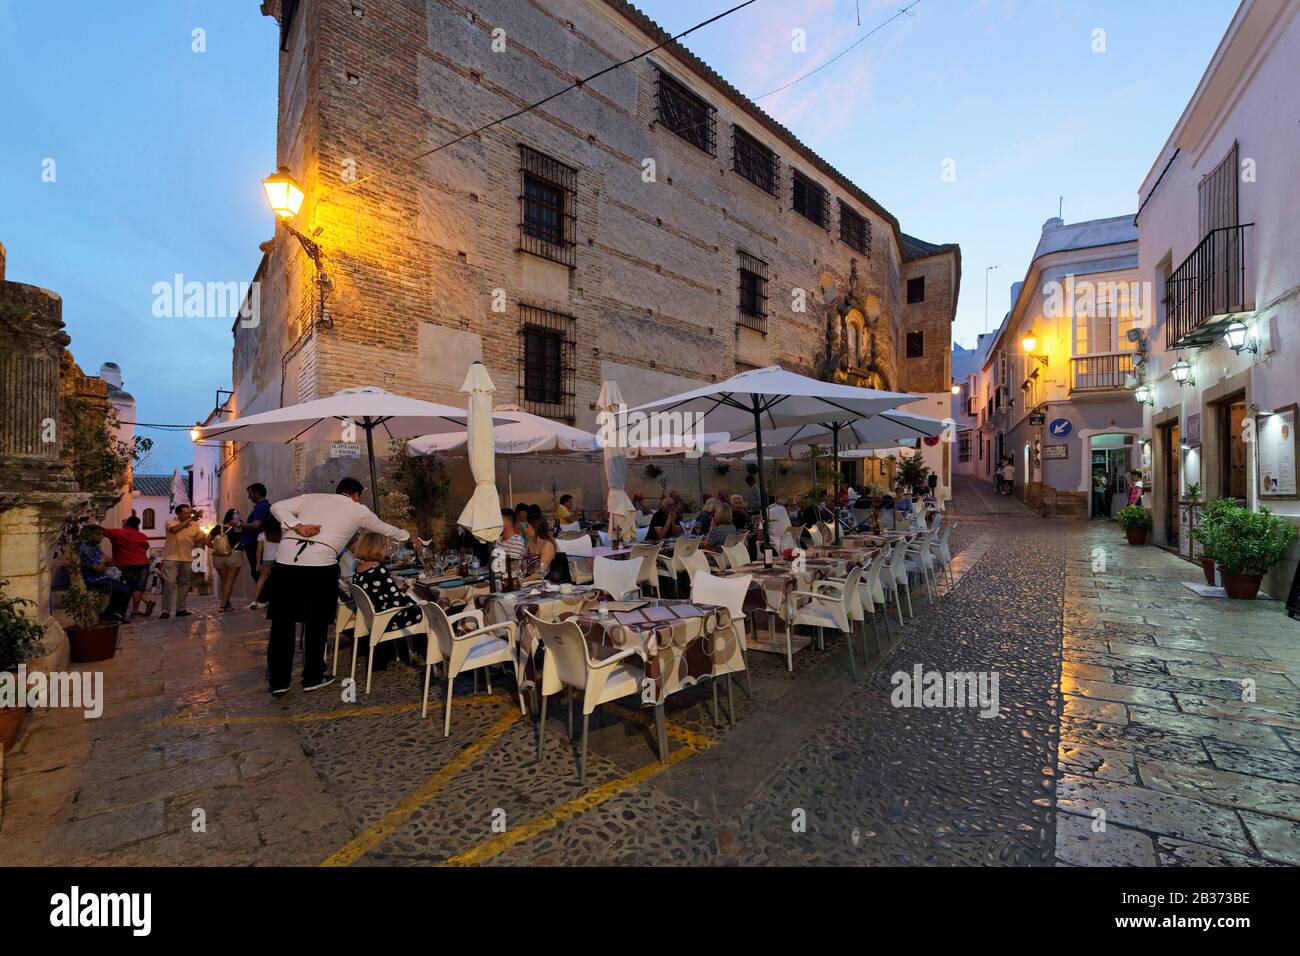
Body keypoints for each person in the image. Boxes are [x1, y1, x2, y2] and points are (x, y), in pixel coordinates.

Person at [267, 477, 409, 696]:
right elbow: (387, 530)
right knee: (317, 622)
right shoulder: (358, 510)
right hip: (320, 565)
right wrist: (408, 536)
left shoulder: (310, 498)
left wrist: (297, 525)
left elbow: (276, 506)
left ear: (337, 490)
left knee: (281, 624)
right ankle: (313, 676)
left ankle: (278, 681)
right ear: (356, 495)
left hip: (285, 562)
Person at [350, 531, 424, 670]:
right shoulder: (378, 570)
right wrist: (419, 603)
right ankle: (428, 655)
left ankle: (407, 653)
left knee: (417, 604)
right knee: (427, 611)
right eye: (384, 547)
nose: (386, 550)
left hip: (374, 617)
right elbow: (398, 600)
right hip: (389, 619)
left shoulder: (359, 570)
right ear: (377, 549)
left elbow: (383, 593)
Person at [78, 526, 133, 623]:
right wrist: (101, 563)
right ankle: (109, 614)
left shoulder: (95, 547)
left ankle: (115, 614)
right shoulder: (83, 548)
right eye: (99, 534)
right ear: (91, 535)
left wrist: (104, 562)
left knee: (127, 588)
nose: (102, 537)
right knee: (123, 590)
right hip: (93, 578)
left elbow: (107, 561)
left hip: (102, 576)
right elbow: (99, 565)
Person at [160, 504, 206, 619]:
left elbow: (199, 540)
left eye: (189, 513)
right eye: (185, 513)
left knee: (185, 584)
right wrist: (192, 518)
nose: (188, 515)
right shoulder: (170, 522)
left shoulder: (194, 525)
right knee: (169, 583)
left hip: (187, 558)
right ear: (178, 513)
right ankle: (165, 610)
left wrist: (198, 557)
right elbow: (175, 530)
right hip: (171, 557)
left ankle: (180, 608)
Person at [102, 516, 154, 617]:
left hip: (126, 564)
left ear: (126, 523)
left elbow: (101, 531)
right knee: (138, 587)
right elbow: (146, 546)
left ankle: (130, 610)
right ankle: (136, 609)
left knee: (130, 586)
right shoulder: (141, 535)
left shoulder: (116, 533)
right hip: (143, 563)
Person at [208, 508, 245, 612]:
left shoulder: (218, 527)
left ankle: (227, 605)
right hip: (234, 555)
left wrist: (219, 549)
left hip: (218, 558)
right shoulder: (239, 527)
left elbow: (206, 542)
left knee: (224, 582)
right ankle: (223, 606)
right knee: (229, 582)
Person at [248, 518, 282, 609]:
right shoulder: (282, 533)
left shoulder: (262, 535)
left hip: (267, 559)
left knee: (262, 579)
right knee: (278, 581)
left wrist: (257, 563)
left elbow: (259, 550)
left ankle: (254, 601)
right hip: (279, 560)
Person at [520, 513, 561, 583]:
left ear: (535, 528)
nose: (525, 529)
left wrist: (522, 581)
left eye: (527, 526)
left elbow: (541, 573)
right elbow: (523, 566)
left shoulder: (547, 545)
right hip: (529, 581)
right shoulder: (530, 544)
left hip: (543, 582)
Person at [497, 508, 527, 575]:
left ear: (509, 522)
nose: (497, 523)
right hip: (497, 576)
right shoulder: (498, 539)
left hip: (510, 579)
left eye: (500, 519)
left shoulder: (517, 541)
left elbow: (511, 566)